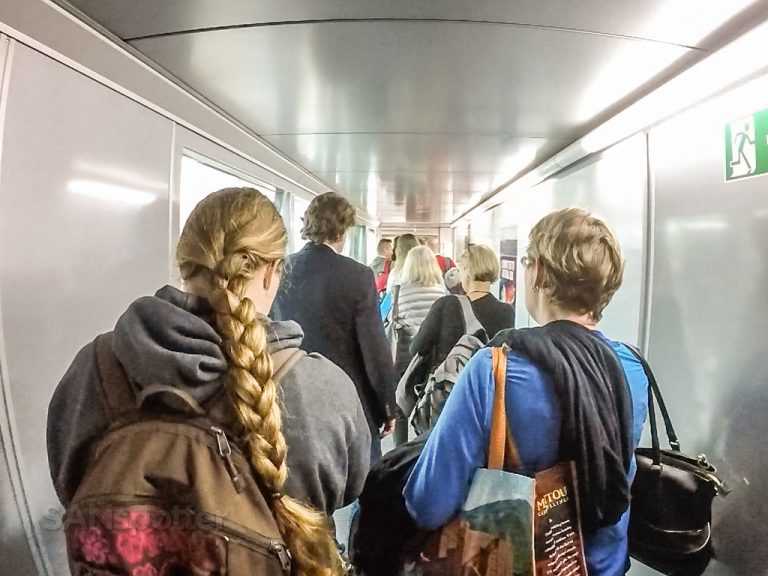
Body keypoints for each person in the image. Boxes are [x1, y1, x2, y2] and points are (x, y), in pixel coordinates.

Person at [48, 188, 370, 574]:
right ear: (272, 272)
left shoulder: (94, 367)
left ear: (185, 263)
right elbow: (348, 489)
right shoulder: (322, 388)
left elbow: (69, 482)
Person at [403, 208, 650, 575]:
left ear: (539, 273)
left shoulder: (493, 370)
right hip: (603, 566)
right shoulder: (632, 367)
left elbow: (429, 502)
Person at [271, 192, 396, 463]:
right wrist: (386, 406)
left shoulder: (282, 270)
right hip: (349, 399)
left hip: (290, 397)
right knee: (368, 480)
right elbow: (374, 348)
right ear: (343, 230)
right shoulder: (358, 275)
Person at [410, 244, 514, 372]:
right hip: (486, 386)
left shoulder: (445, 305)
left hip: (449, 387)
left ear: (467, 271)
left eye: (460, 270)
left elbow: (417, 347)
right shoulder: (507, 312)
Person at [390, 246, 447, 445]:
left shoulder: (400, 291)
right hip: (431, 358)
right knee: (429, 404)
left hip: (406, 355)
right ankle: (425, 447)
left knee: (400, 406)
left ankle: (400, 448)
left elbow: (392, 320)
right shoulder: (441, 292)